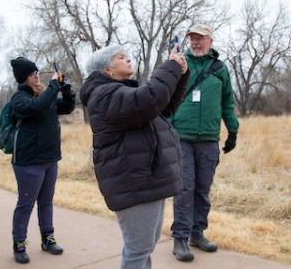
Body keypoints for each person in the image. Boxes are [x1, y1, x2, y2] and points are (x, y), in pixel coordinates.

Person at [80, 43, 189, 269]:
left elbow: (162, 109)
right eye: (121, 57)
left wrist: (180, 76)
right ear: (107, 70)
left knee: (145, 246)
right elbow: (148, 100)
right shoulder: (103, 94)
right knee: (137, 250)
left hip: (146, 179)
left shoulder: (121, 92)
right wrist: (170, 67)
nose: (128, 59)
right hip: (134, 183)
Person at [169, 24, 240, 262]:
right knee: (185, 188)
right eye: (193, 39)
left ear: (211, 40)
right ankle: (180, 237)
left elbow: (227, 102)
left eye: (201, 39)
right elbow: (164, 96)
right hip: (181, 138)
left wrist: (233, 131)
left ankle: (197, 234)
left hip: (209, 139)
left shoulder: (220, 69)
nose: (196, 43)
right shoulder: (179, 64)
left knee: (202, 190)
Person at [10, 57, 76, 264]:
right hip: (28, 162)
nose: (37, 75)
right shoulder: (19, 99)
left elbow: (65, 107)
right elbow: (36, 107)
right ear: (23, 78)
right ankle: (19, 244)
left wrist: (67, 91)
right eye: (32, 73)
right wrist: (53, 85)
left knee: (46, 202)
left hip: (49, 158)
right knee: (26, 203)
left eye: (37, 71)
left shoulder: (43, 96)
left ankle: (48, 239)